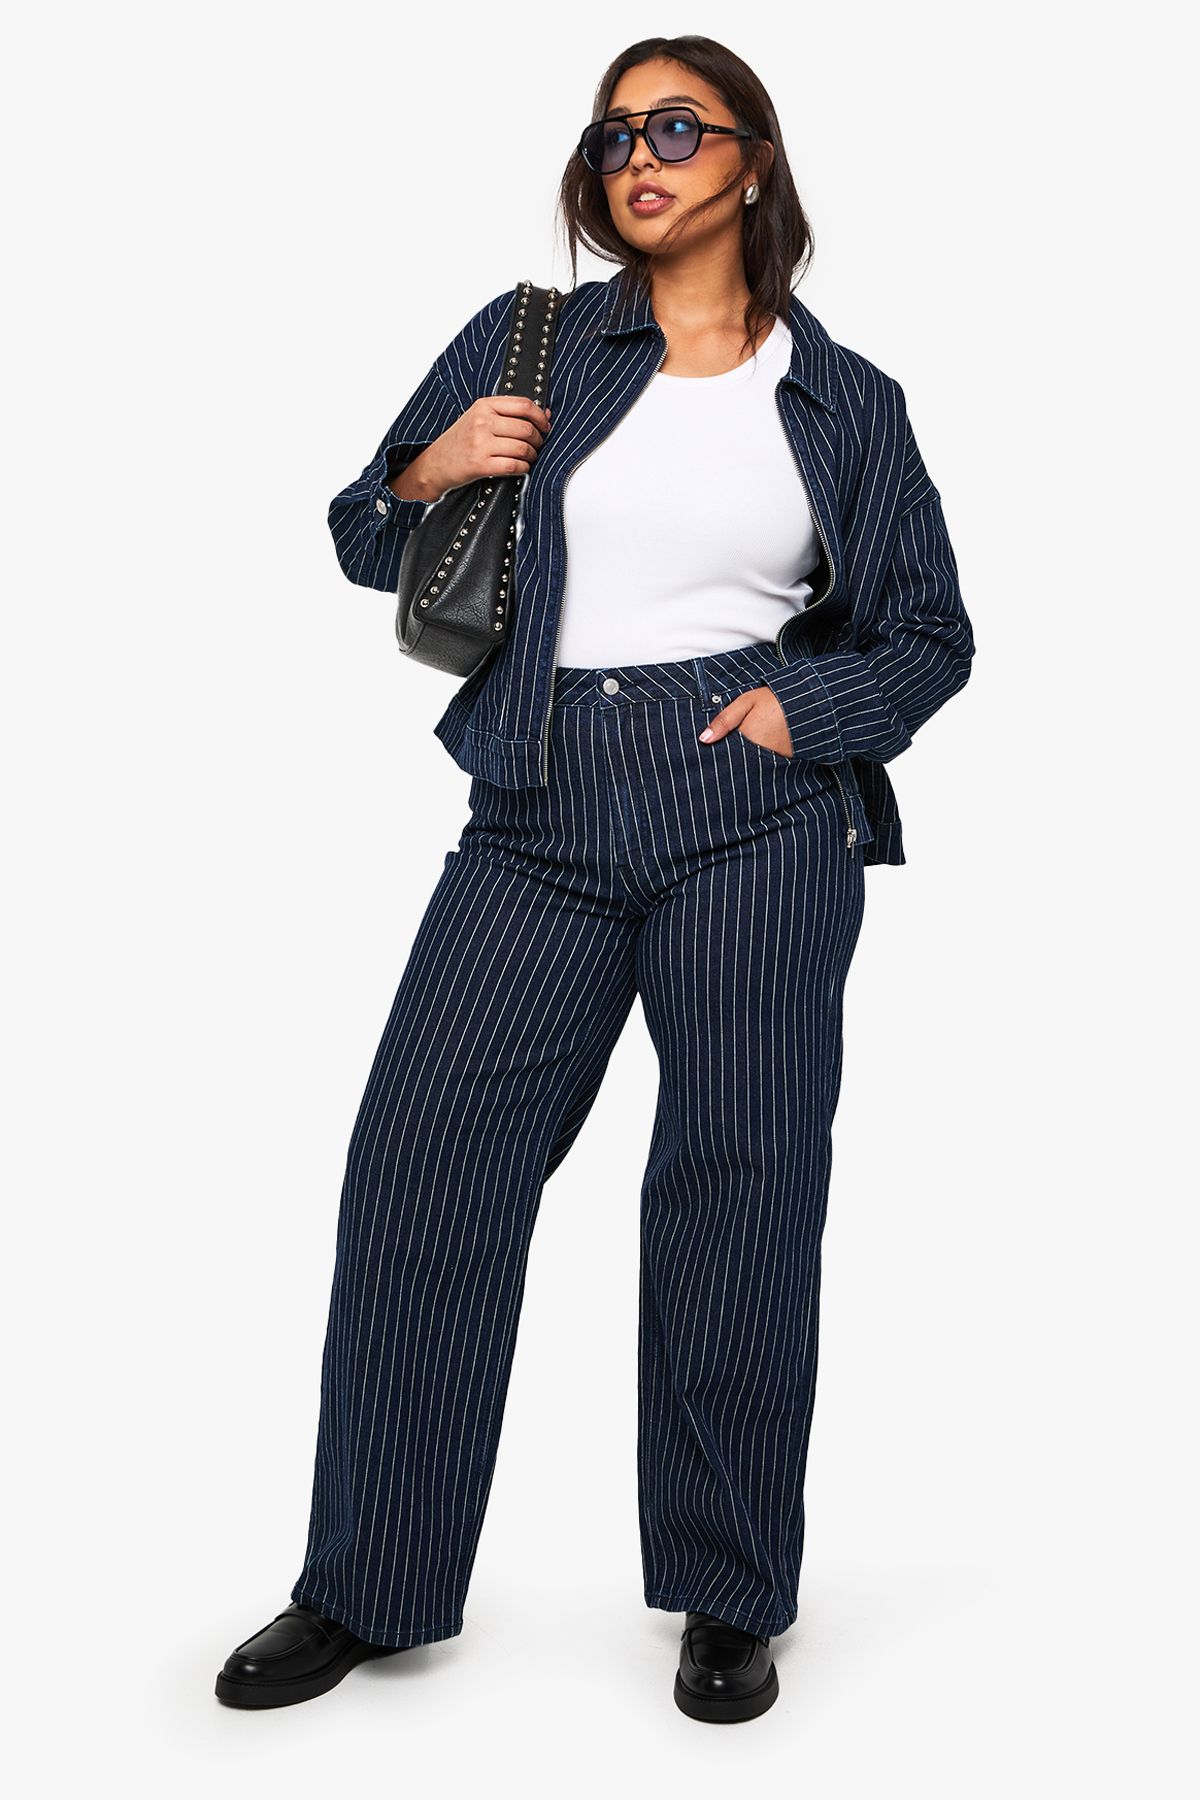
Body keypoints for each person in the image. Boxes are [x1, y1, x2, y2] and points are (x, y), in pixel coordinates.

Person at [215, 34, 975, 1724]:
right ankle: (367, 1583)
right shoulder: (535, 338)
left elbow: (931, 633)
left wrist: (800, 715)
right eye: (617, 131)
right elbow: (362, 531)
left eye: (679, 127)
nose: (640, 155)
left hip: (753, 808)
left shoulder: (848, 402)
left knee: (737, 1191)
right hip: (538, 801)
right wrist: (427, 471)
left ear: (754, 161)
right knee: (423, 1169)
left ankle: (727, 1593)